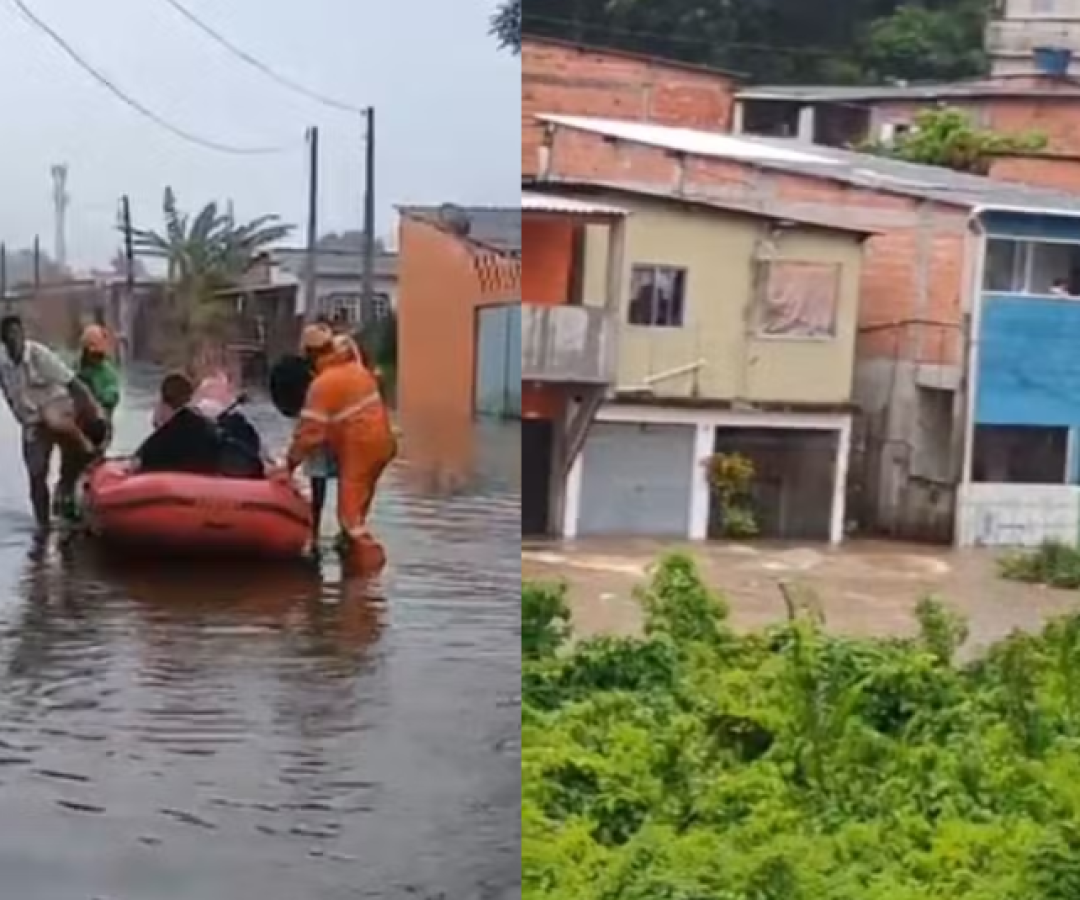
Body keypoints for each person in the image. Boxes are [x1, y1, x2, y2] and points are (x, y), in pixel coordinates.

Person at [276, 323, 397, 570]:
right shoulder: (354, 368)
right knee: (357, 508)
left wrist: (287, 465)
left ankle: (366, 579)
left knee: (349, 517)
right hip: (382, 443)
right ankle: (347, 551)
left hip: (359, 447)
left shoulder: (324, 385)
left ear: (310, 354)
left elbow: (309, 435)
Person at [0, 315, 106, 531]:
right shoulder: (2, 364)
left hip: (58, 408)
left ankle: (87, 449)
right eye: (10, 337)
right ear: (4, 342)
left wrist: (96, 415)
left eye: (18, 335)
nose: (16, 342)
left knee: (53, 421)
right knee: (37, 475)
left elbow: (74, 384)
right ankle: (43, 527)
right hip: (31, 423)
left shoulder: (39, 355)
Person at [75, 324, 120, 445]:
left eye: (98, 354)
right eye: (91, 354)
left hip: (100, 425)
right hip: (77, 427)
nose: (94, 357)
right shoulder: (75, 370)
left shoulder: (108, 373)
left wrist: (99, 396)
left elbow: (113, 396)